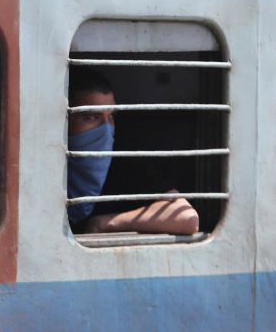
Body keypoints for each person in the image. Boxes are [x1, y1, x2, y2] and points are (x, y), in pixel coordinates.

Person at [68, 68, 199, 235]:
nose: (106, 128)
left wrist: (102, 223)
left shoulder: (125, 162)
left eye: (111, 117)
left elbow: (187, 219)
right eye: (92, 117)